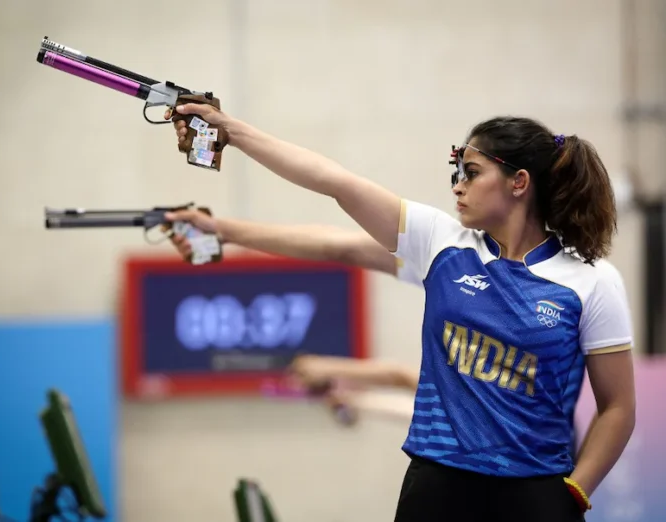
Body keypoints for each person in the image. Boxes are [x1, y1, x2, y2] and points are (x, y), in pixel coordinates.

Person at [164, 105, 636, 522]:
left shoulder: (592, 283)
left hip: (535, 493)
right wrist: (232, 132)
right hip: (436, 487)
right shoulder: (441, 242)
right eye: (457, 171)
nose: (457, 185)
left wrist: (576, 490)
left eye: (471, 172)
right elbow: (333, 183)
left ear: (519, 182)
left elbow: (617, 407)